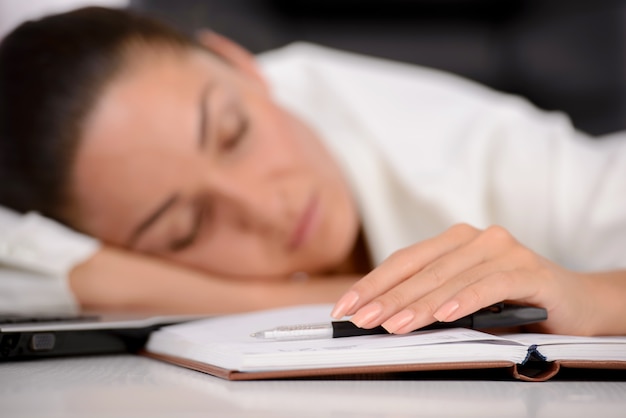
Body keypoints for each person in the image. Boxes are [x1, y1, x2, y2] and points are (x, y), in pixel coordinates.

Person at [0, 7, 625, 335]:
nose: (264, 204)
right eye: (188, 227)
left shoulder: (471, 153)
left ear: (239, 63)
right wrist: (261, 300)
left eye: (233, 134)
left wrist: (589, 297)